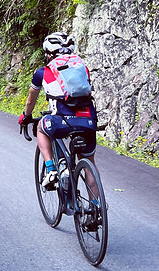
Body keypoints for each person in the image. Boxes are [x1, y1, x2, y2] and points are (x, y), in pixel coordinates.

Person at [17, 32, 100, 199]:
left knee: (41, 127)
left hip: (60, 121)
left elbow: (30, 101)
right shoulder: (83, 68)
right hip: (88, 121)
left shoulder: (43, 71)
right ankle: (96, 212)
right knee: (89, 164)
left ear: (49, 53)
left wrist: (26, 117)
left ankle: (51, 170)